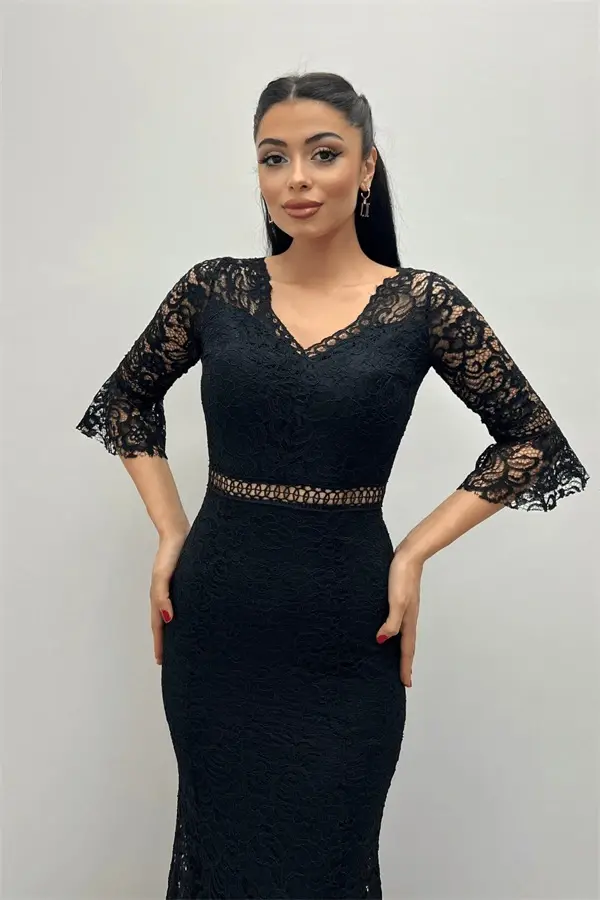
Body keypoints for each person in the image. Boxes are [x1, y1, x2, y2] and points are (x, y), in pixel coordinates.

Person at [76, 71, 589, 900]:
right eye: (273, 158)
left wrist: (413, 553)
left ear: (367, 165)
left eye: (323, 154)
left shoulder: (422, 305)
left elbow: (534, 440)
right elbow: (126, 401)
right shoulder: (213, 290)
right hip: (220, 625)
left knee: (330, 863)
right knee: (224, 857)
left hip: (349, 628)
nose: (297, 179)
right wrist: (172, 530)